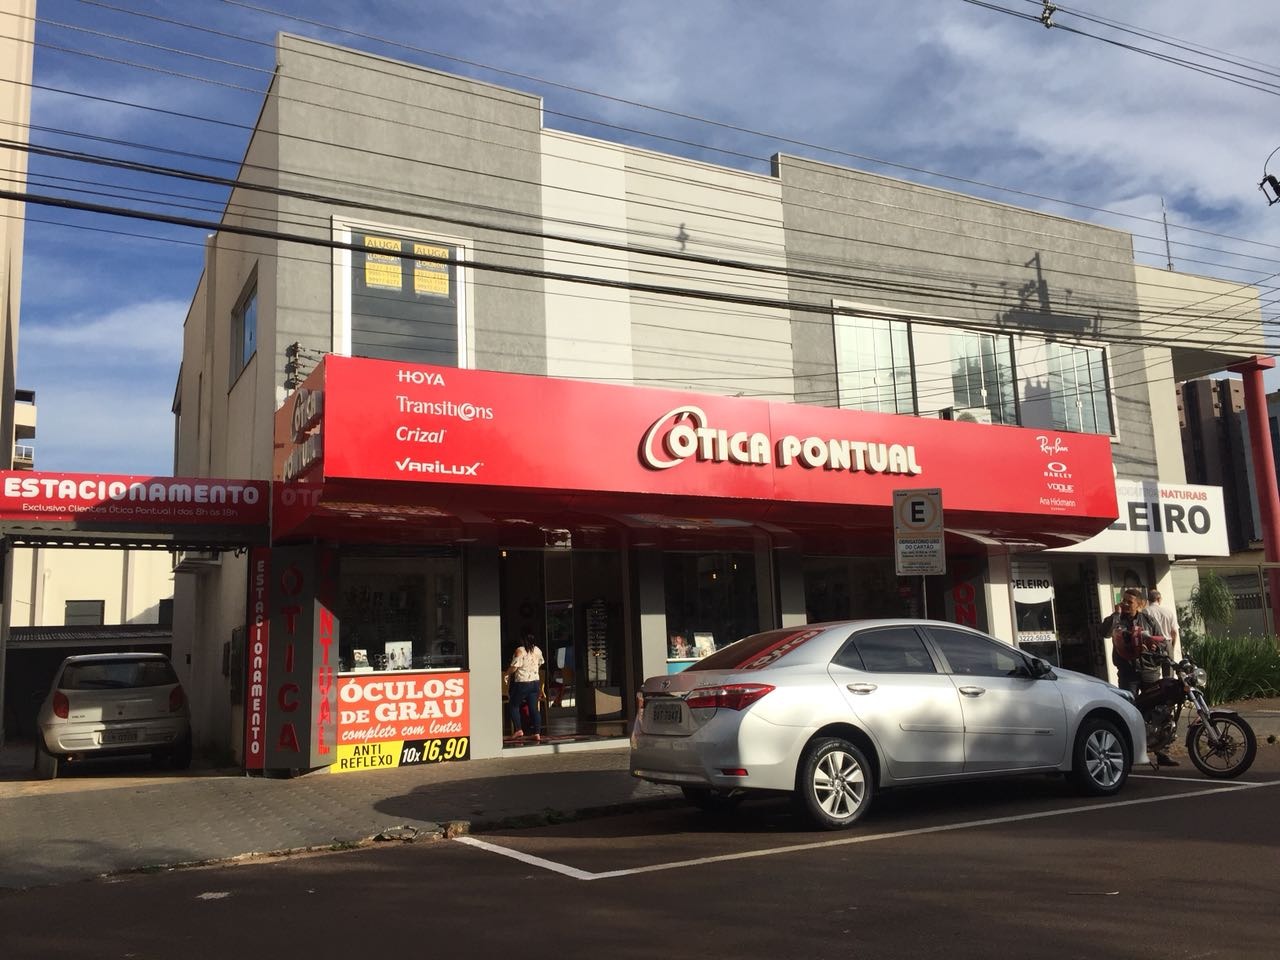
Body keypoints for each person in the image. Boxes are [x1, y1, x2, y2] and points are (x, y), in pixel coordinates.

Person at [1101, 587, 1176, 766]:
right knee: (1129, 711)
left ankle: (1162, 751)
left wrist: (1155, 648)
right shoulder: (1117, 620)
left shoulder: (1149, 620)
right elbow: (1103, 632)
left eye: (1130, 602)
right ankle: (1130, 752)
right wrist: (1114, 615)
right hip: (1128, 674)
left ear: (1140, 604)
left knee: (1159, 710)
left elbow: (1163, 644)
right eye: (1124, 601)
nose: (1126, 604)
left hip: (1150, 671)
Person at [506, 631, 545, 742]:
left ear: (522, 640)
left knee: (513, 705)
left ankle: (518, 729)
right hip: (535, 682)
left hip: (522, 682)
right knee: (533, 708)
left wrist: (506, 674)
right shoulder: (537, 650)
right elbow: (540, 662)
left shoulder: (520, 651)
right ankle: (537, 733)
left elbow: (514, 666)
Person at [1146, 588, 1180, 659]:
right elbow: (1174, 632)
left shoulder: (1145, 612)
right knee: (1169, 667)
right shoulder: (1168, 612)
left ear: (1148, 600)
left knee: (1154, 668)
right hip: (1167, 643)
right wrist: (1172, 647)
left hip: (1153, 644)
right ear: (1158, 599)